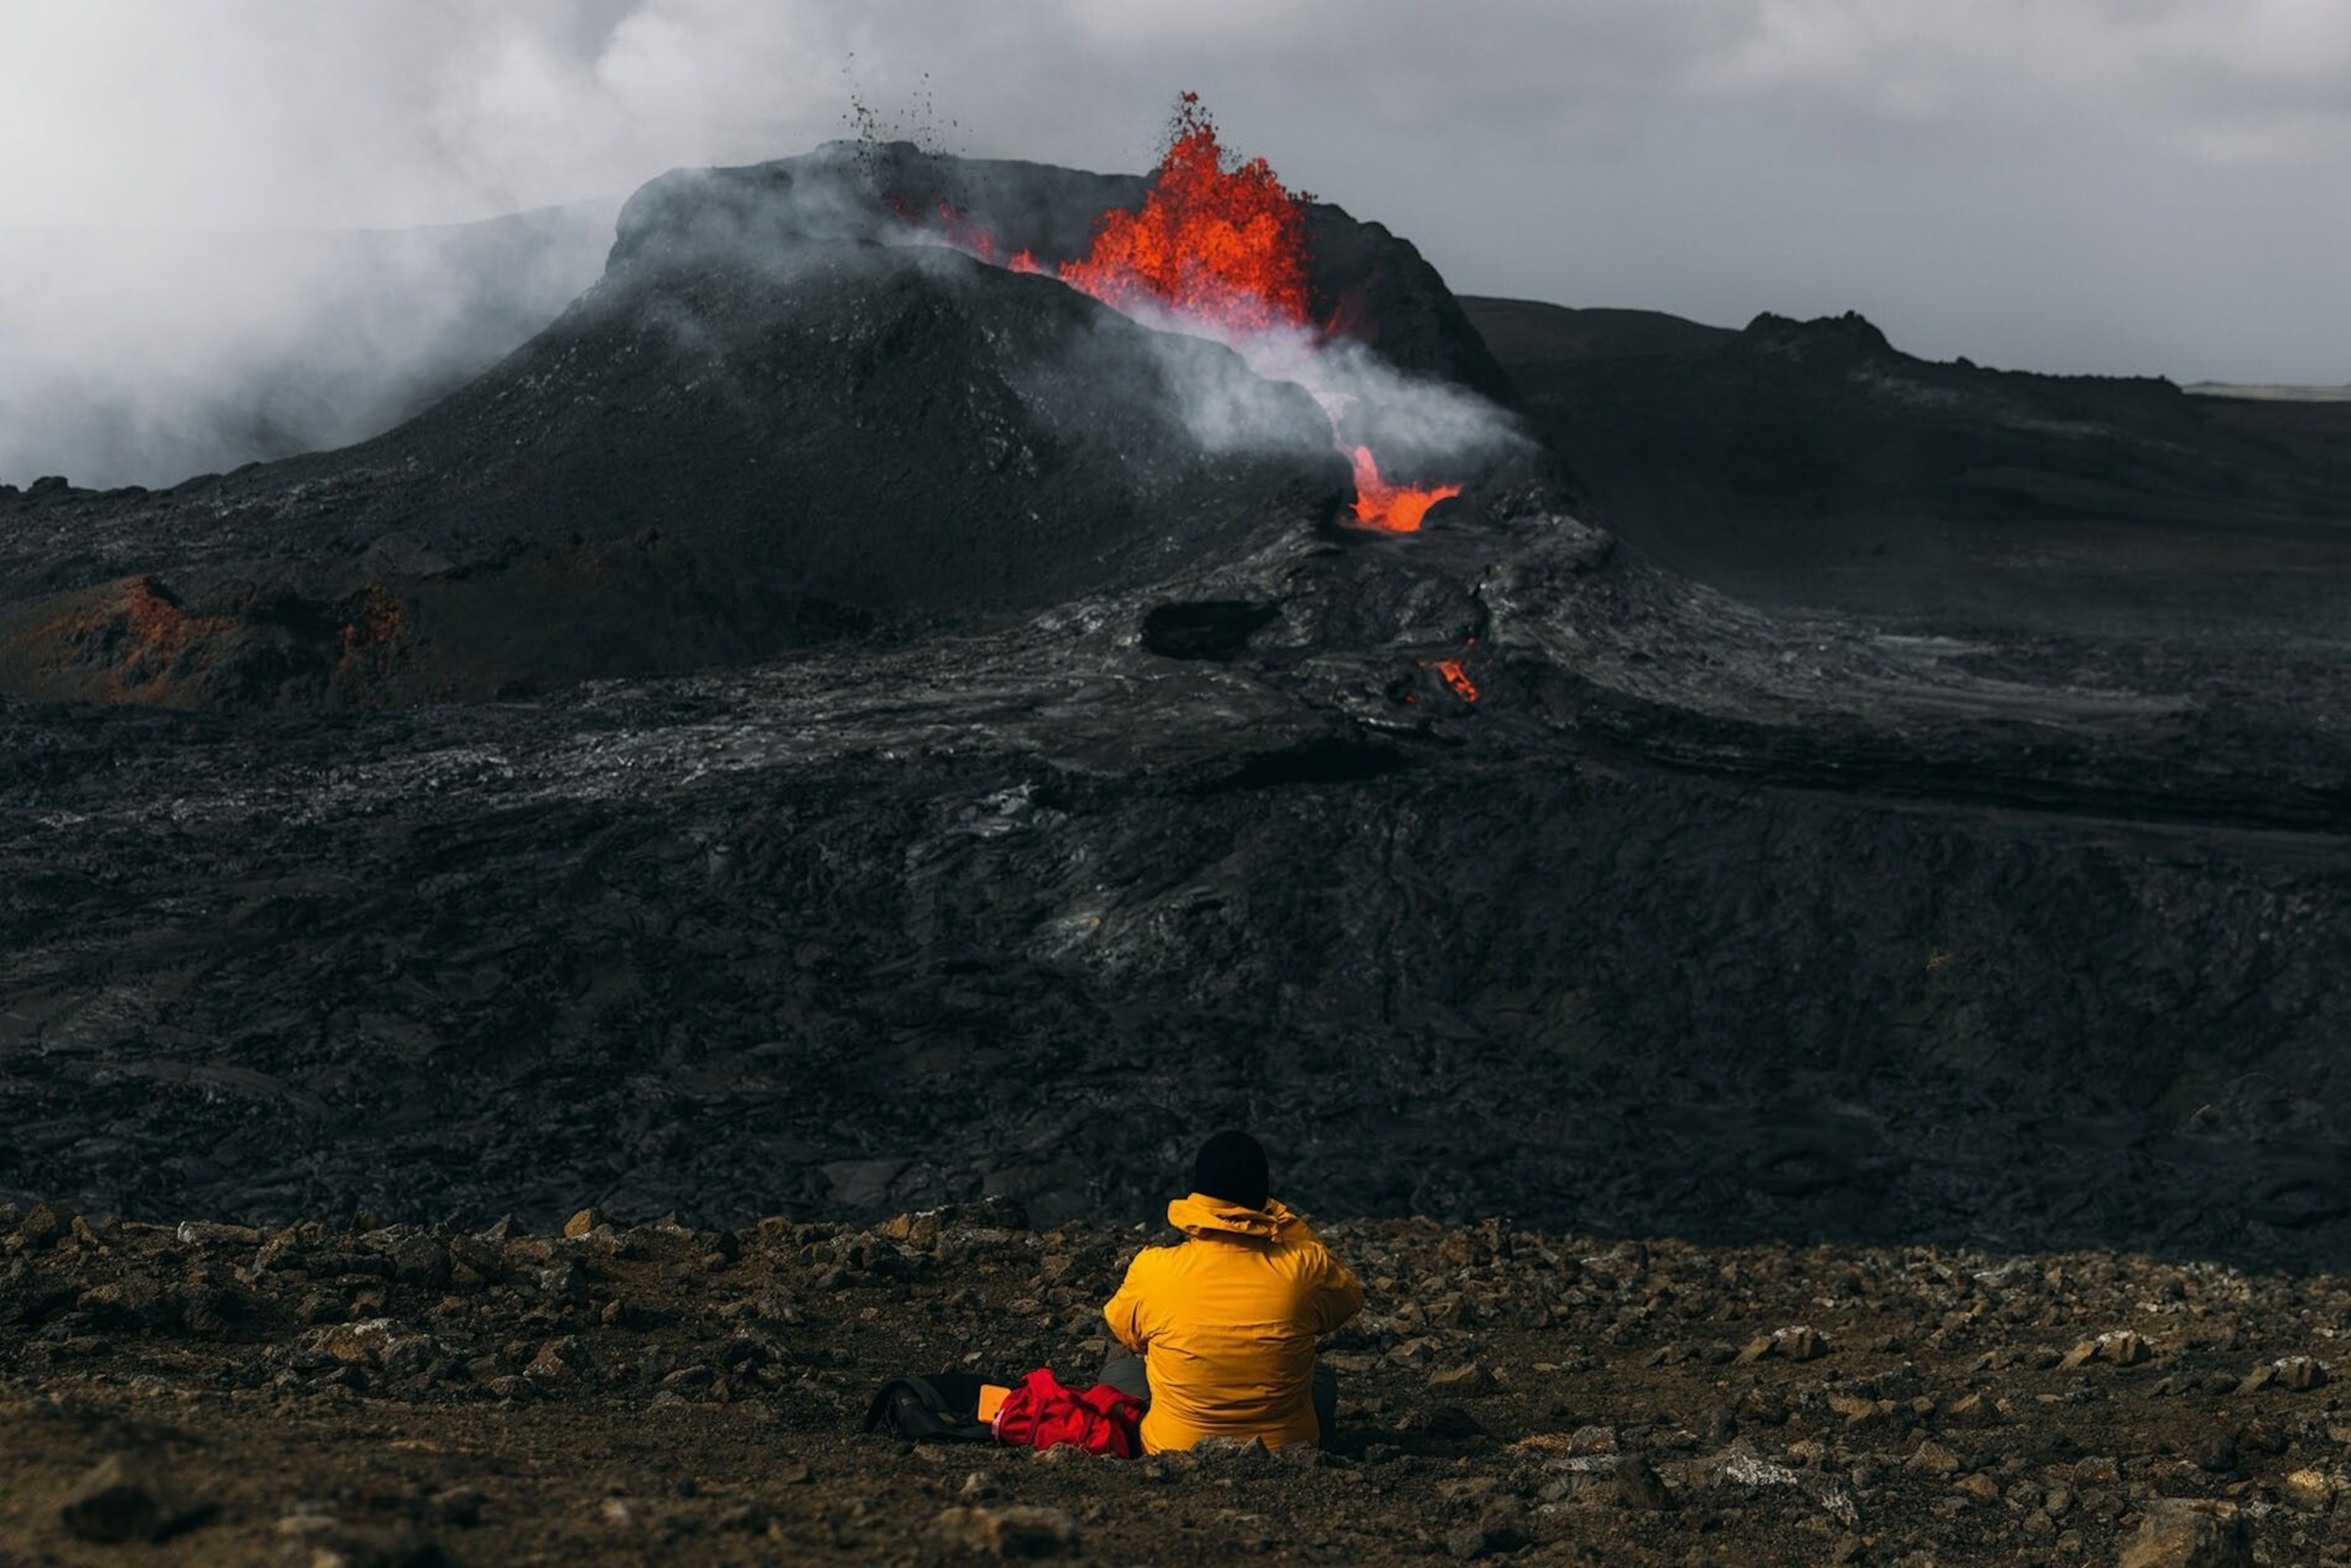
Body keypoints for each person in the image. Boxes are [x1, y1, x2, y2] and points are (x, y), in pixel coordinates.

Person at [1100, 1132, 1365, 1452]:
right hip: (1286, 1448)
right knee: (1321, 1380)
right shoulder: (1305, 1268)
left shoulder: (1153, 1269)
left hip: (1175, 1449)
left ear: (1197, 1195)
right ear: (1263, 1197)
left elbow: (1128, 1335)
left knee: (1118, 1373)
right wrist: (1284, 1222)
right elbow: (1349, 1300)